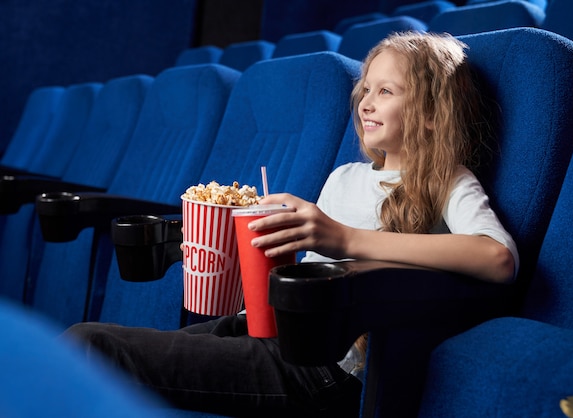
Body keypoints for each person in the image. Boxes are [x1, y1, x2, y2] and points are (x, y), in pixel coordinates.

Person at [63, 32, 518, 418]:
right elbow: (306, 267)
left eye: (387, 91)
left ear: (434, 114)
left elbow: (496, 258)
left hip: (323, 365)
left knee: (90, 346)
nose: (366, 102)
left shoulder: (449, 180)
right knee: (85, 349)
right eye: (365, 89)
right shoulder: (344, 176)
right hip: (268, 327)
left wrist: (345, 239)